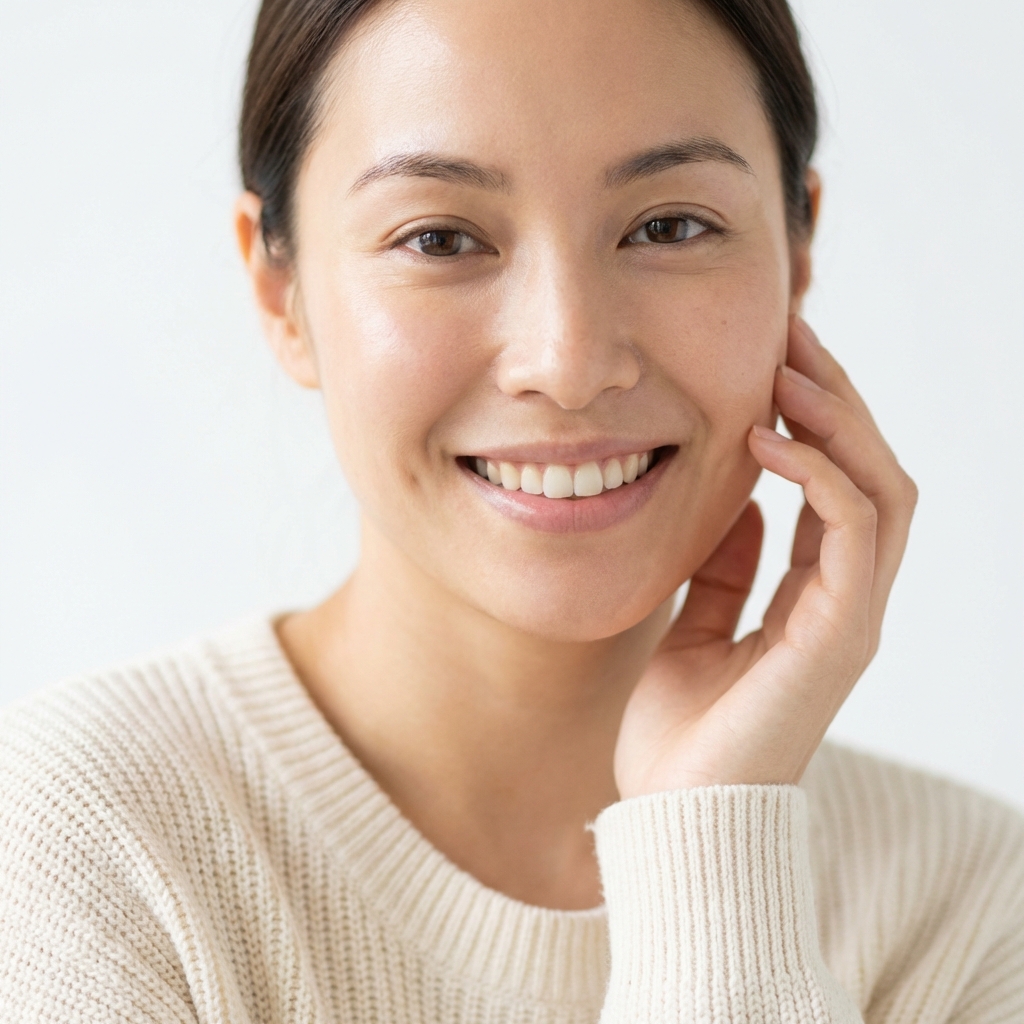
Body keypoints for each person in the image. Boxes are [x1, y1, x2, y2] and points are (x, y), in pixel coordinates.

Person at [1, 0, 1022, 1020]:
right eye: (439, 237)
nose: (568, 362)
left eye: (669, 225)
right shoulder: (80, 839)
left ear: (797, 254)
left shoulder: (969, 905)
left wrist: (710, 841)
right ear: (282, 291)